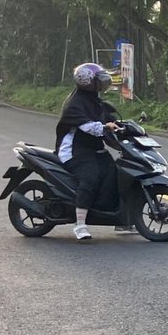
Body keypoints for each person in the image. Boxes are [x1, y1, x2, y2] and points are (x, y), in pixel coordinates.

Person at [56, 62, 122, 242]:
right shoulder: (74, 104)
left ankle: (119, 217)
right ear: (88, 82)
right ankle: (80, 224)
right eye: (99, 81)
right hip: (75, 151)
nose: (103, 84)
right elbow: (88, 127)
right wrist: (105, 126)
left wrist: (126, 126)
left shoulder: (95, 99)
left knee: (115, 173)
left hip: (94, 149)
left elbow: (108, 118)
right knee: (90, 177)